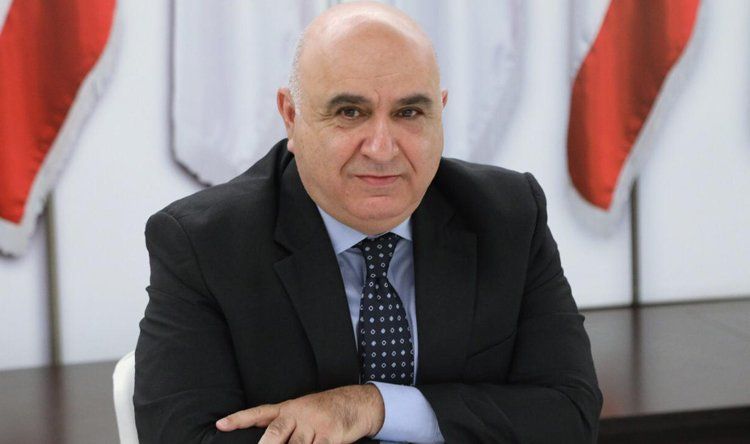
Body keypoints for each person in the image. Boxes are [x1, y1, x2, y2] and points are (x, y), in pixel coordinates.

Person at [134, 2, 602, 443]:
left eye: (409, 112)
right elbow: (184, 437)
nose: (381, 148)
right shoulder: (205, 243)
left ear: (440, 113)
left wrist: (374, 406)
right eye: (350, 112)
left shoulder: (508, 215)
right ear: (292, 116)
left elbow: (570, 415)